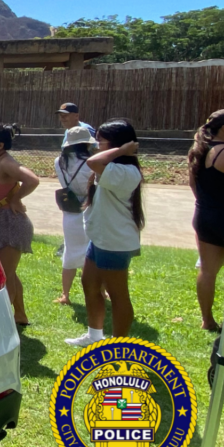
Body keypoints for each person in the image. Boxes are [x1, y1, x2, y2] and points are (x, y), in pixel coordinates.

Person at [65, 119, 145, 347]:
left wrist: (122, 150)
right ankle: (94, 335)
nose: (96, 143)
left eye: (101, 139)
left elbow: (92, 162)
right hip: (102, 238)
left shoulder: (126, 171)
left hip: (115, 241)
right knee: (89, 284)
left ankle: (119, 345)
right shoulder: (114, 167)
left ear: (118, 143)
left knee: (118, 295)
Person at [0, 124, 39, 326]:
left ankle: (1, 323)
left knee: (2, 275)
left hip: (10, 225)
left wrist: (16, 199)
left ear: (0, 145)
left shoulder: (6, 163)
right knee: (8, 273)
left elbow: (32, 180)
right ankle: (19, 315)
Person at [188, 109, 224, 331]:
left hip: (204, 215)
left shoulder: (198, 151)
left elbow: (193, 186)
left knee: (207, 270)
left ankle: (207, 320)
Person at [53, 126, 96, 305]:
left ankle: (65, 294)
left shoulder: (59, 162)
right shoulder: (91, 163)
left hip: (70, 209)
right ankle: (98, 291)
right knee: (93, 252)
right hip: (90, 206)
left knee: (70, 251)